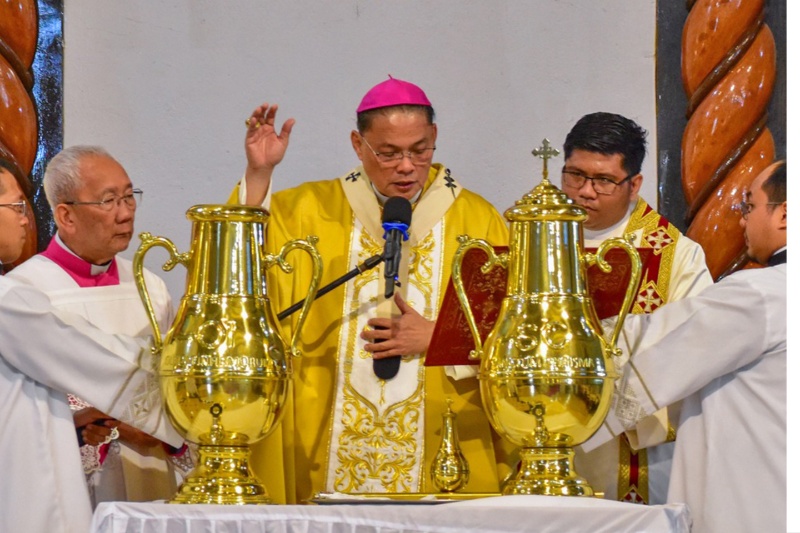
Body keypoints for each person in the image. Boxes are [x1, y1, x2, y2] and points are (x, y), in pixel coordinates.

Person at [229, 77, 511, 503]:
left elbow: (513, 333)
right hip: (321, 434)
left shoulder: (478, 219)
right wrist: (259, 172)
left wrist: (440, 338)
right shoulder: (308, 210)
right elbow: (239, 269)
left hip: (443, 436)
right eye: (389, 153)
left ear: (434, 138)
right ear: (358, 146)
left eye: (420, 150)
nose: (406, 166)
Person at [583, 160, 786, 533]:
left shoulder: (760, 295)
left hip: (755, 503)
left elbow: (657, 348)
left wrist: (563, 333)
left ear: (784, 214)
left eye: (749, 206)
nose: (742, 221)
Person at [0, 159, 183, 533]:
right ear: (67, 215)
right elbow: (85, 355)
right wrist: (180, 403)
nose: (25, 219)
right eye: (17, 207)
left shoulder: (148, 284)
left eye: (130, 197)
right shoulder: (17, 295)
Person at [562, 112, 714, 505]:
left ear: (634, 185)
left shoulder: (674, 255)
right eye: (575, 175)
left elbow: (697, 348)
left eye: (604, 181)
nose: (585, 192)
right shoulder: (534, 237)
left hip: (634, 449)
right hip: (546, 436)